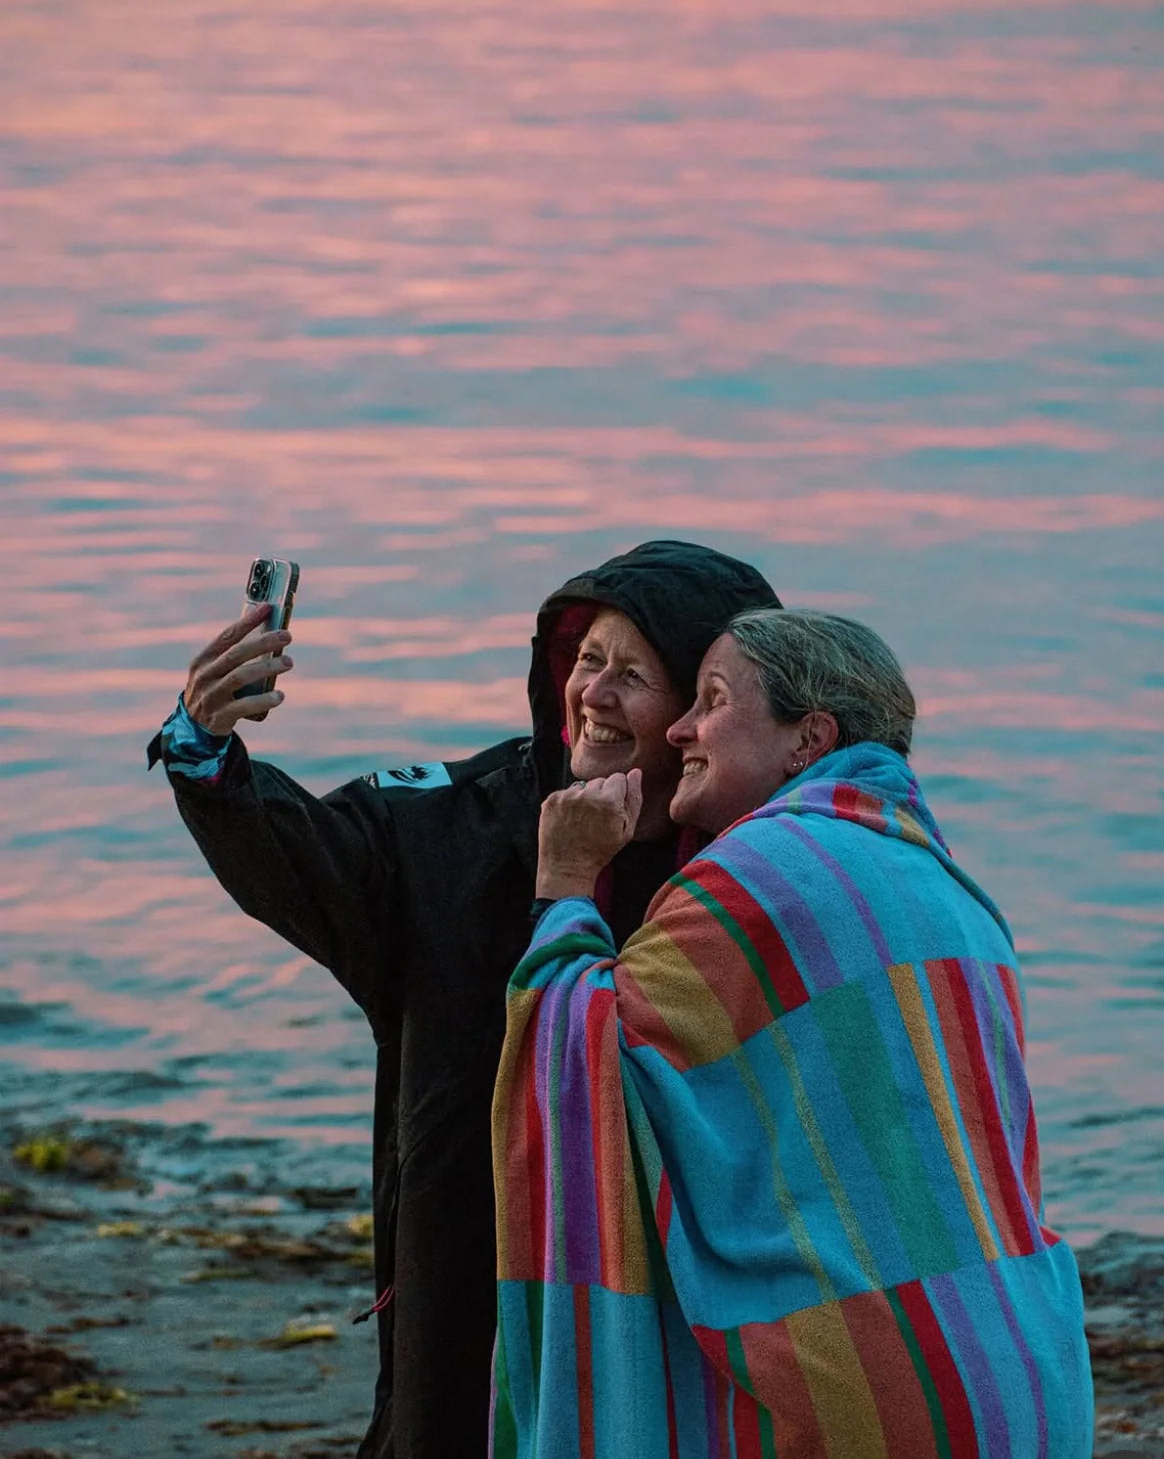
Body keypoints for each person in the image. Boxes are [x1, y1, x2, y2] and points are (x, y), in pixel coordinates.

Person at [147, 540, 782, 1458]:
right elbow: (313, 858)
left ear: (702, 707)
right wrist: (203, 750)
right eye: (585, 661)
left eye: (634, 676)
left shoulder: (760, 862)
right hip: (473, 1271)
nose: (592, 694)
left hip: (687, 1278)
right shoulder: (459, 823)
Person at [492, 609, 1094, 1458]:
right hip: (1022, 1363)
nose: (679, 728)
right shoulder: (953, 889)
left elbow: (578, 1062)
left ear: (808, 738)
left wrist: (565, 882)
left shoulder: (754, 876)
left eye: (712, 700)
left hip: (869, 1388)